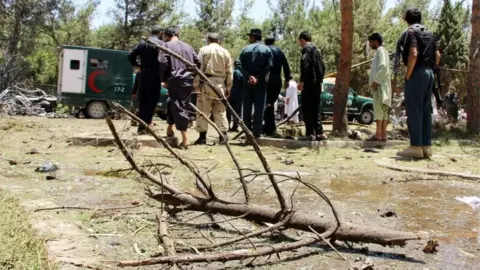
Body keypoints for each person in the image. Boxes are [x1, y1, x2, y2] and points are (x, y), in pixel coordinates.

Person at [395, 8, 441, 159]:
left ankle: (415, 147)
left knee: (414, 109)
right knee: (426, 110)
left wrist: (408, 74)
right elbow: (437, 55)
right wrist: (432, 70)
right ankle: (426, 147)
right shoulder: (429, 33)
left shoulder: (410, 32)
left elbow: (413, 53)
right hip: (429, 73)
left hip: (417, 72)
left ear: (406, 19)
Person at [159, 26, 201, 149]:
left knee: (179, 105)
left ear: (167, 35)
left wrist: (164, 79)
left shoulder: (166, 46)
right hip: (187, 80)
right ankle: (169, 129)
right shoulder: (188, 47)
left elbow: (163, 63)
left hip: (174, 79)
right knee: (176, 103)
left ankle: (185, 139)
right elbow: (197, 63)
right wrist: (191, 75)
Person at [193, 33, 233, 145]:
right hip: (220, 84)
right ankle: (223, 136)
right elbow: (230, 71)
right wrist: (228, 87)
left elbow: (199, 67)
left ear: (208, 40)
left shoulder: (204, 50)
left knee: (202, 110)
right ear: (219, 40)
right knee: (220, 111)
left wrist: (196, 83)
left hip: (206, 82)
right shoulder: (225, 52)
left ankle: (202, 137)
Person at [128, 26, 164, 134]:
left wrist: (137, 65)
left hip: (143, 74)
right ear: (160, 33)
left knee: (142, 100)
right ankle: (145, 125)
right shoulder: (160, 44)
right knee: (152, 100)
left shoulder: (142, 43)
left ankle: (142, 126)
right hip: (154, 75)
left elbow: (130, 54)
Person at [239, 29, 273, 141]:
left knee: (247, 108)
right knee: (259, 108)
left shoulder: (245, 49)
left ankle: (247, 133)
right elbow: (269, 66)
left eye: (250, 36)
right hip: (261, 83)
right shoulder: (267, 50)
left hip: (247, 83)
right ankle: (256, 133)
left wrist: (249, 76)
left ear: (253, 37)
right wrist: (257, 77)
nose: (249, 38)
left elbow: (238, 64)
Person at [297, 31, 327, 141]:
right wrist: (320, 79)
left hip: (309, 83)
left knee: (307, 108)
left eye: (300, 41)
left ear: (302, 40)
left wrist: (302, 82)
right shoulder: (317, 50)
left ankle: (310, 133)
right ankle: (319, 133)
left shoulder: (306, 49)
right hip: (317, 84)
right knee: (316, 108)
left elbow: (306, 65)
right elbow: (323, 67)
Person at [263, 35, 292, 136]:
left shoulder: (264, 50)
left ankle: (268, 128)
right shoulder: (280, 52)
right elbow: (286, 65)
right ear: (274, 42)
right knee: (270, 104)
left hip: (266, 80)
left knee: (267, 104)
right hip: (277, 80)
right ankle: (270, 127)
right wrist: (287, 79)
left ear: (265, 42)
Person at [367, 33, 392, 142]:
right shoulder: (383, 51)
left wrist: (375, 81)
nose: (370, 44)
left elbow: (383, 67)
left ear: (375, 41)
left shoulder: (380, 51)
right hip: (383, 85)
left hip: (380, 85)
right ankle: (383, 135)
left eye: (371, 42)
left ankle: (378, 134)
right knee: (383, 110)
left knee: (379, 110)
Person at [227, 59, 244, 132]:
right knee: (237, 111)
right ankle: (235, 126)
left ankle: (227, 126)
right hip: (239, 94)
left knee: (228, 110)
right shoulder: (243, 73)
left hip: (230, 93)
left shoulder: (231, 72)